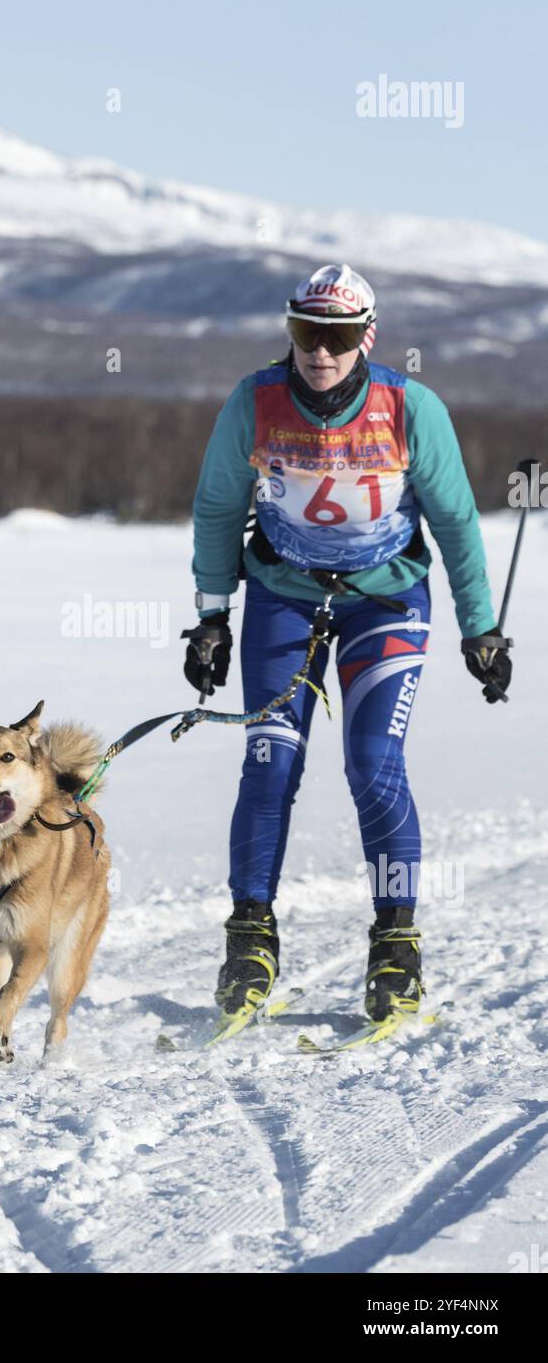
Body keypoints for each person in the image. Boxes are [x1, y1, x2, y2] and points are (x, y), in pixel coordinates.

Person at [183, 262, 512, 1036]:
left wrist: (481, 627)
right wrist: (209, 617)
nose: (319, 353)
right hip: (282, 593)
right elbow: (218, 506)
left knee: (372, 761)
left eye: (334, 337)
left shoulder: (409, 406)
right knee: (269, 760)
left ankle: (396, 942)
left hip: (386, 599)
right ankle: (250, 939)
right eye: (305, 334)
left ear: (367, 337)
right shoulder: (254, 401)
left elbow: (457, 521)